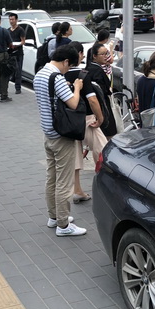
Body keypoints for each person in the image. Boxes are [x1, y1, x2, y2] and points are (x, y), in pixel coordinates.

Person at [33, 44, 86, 236]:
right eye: (69, 66)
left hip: (48, 133)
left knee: (52, 178)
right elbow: (73, 103)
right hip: (62, 136)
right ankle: (63, 225)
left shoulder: (40, 74)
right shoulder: (56, 77)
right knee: (64, 181)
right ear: (65, 61)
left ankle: (54, 217)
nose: (68, 70)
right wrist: (77, 88)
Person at [65, 42, 105, 204]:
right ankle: (103, 187)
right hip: (87, 119)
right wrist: (100, 118)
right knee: (103, 150)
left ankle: (77, 190)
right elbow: (92, 100)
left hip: (69, 121)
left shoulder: (60, 75)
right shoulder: (83, 74)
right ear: (80, 54)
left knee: (75, 155)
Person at [85, 43, 118, 138]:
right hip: (102, 108)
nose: (106, 56)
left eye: (106, 53)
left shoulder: (91, 68)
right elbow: (101, 92)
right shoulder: (96, 71)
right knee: (106, 138)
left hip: (98, 109)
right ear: (94, 56)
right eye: (102, 54)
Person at [7, 12, 26, 94]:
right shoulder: (8, 30)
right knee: (8, 70)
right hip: (10, 53)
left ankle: (18, 88)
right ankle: (5, 88)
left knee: (18, 71)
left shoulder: (20, 30)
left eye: (13, 19)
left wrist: (17, 45)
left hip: (18, 53)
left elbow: (23, 41)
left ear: (16, 20)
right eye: (10, 19)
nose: (11, 21)